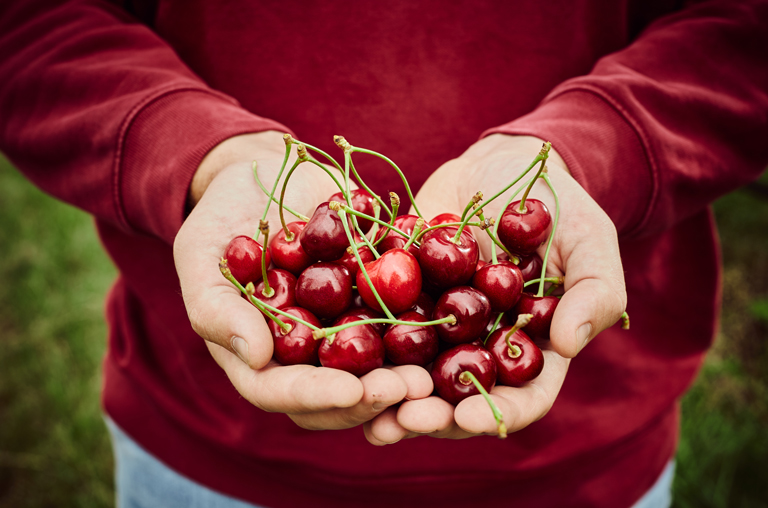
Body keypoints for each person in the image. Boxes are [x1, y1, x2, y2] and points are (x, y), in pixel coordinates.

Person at [1, 0, 767, 506]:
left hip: (583, 468)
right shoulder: (323, 270)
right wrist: (201, 153)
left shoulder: (474, 285)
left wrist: (596, 150)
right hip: (205, 454)